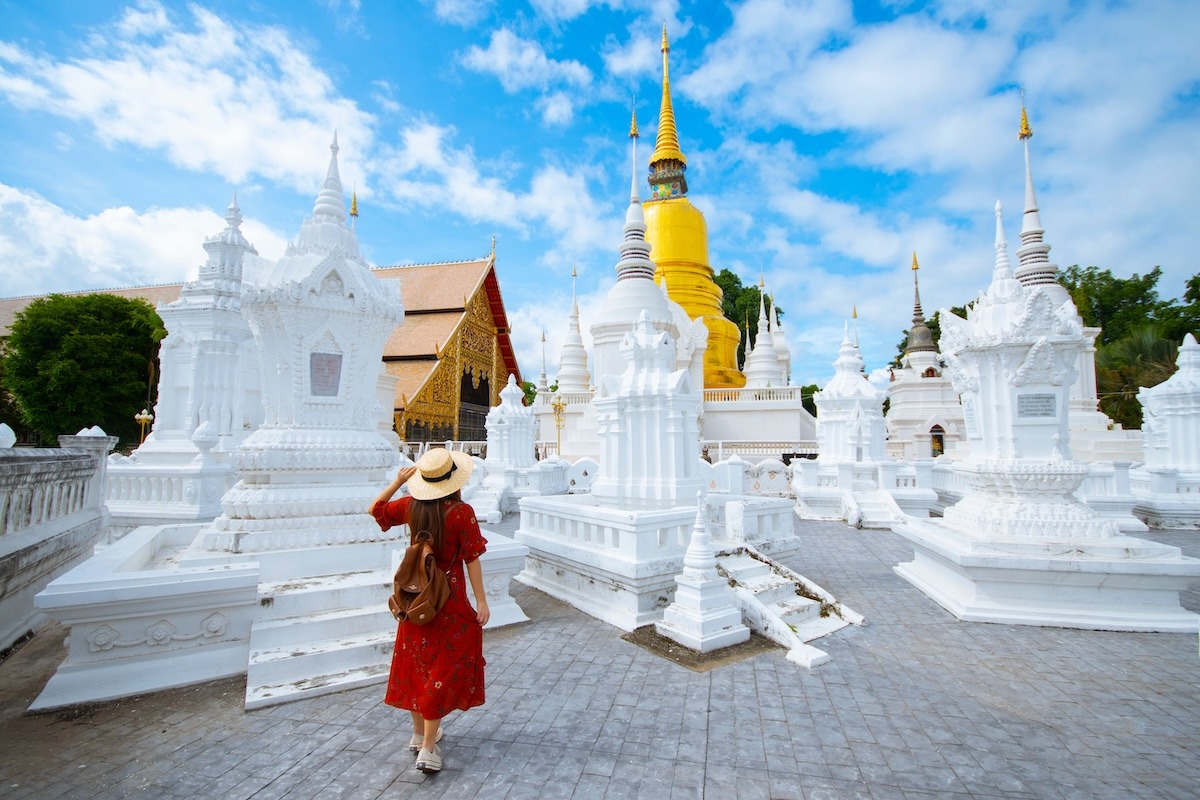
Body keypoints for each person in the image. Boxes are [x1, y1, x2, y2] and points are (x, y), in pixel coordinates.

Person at [370, 448, 490, 774]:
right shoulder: (461, 513)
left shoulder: (412, 507)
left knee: (417, 664)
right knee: (442, 669)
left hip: (417, 598)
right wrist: (481, 600)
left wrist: (397, 482)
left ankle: (420, 732)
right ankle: (427, 748)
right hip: (448, 600)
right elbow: (472, 559)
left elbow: (376, 510)